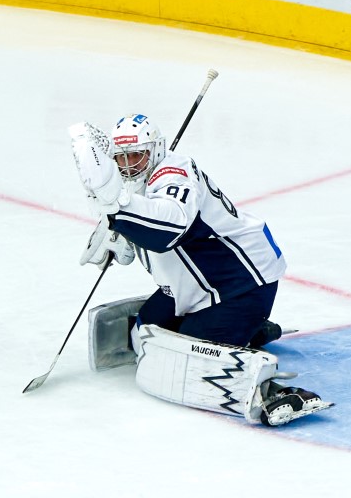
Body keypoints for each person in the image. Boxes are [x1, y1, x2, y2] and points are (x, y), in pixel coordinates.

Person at [68, 114, 331, 426]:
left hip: (241, 283)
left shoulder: (174, 174)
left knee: (182, 356)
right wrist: (119, 229)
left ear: (155, 150)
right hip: (198, 286)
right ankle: (249, 330)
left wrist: (119, 210)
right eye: (120, 159)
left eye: (136, 156)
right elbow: (138, 229)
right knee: (144, 332)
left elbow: (168, 229)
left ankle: (271, 390)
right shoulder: (131, 187)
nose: (128, 166)